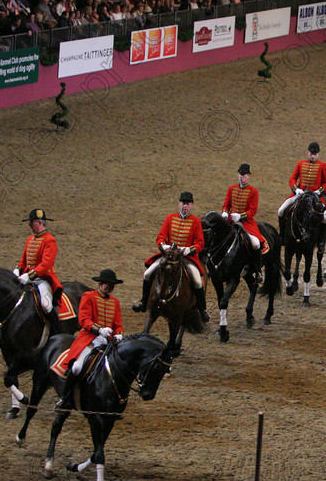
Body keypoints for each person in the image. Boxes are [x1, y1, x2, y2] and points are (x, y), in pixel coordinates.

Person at [56, 268, 124, 412]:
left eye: (112, 285)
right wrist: (99, 329)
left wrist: (119, 334)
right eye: (107, 284)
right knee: (76, 367)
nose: (110, 287)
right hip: (90, 338)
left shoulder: (115, 302)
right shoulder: (89, 296)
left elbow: (117, 324)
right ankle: (65, 398)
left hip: (109, 341)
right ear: (100, 283)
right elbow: (84, 320)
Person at [134, 191, 209, 321]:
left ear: (191, 205)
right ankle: (144, 302)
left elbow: (200, 243)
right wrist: (164, 247)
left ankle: (202, 309)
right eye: (183, 203)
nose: (185, 206)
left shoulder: (196, 221)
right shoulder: (170, 218)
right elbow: (161, 237)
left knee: (197, 280)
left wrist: (188, 250)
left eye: (188, 204)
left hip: (186, 258)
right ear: (179, 204)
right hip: (168, 257)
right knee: (147, 274)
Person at [14, 208, 63, 331]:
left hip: (41, 279)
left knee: (46, 305)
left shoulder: (49, 240)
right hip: (26, 278)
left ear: (40, 223)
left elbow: (46, 264)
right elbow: (23, 260)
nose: (30, 225)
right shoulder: (30, 239)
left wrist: (29, 276)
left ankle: (58, 331)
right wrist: (18, 269)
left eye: (32, 223)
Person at [278, 142, 326, 246]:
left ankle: (321, 241)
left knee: (325, 218)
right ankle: (282, 236)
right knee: (280, 210)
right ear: (307, 153)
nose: (313, 156)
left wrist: (318, 191)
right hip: (300, 194)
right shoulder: (300, 164)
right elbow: (292, 178)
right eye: (311, 153)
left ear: (318, 154)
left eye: (315, 154)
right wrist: (296, 189)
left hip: (315, 196)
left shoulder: (323, 166)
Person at [221, 164, 270, 279]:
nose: (241, 177)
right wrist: (224, 211)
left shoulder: (253, 191)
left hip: (246, 223)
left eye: (243, 175)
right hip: (231, 222)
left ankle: (258, 271)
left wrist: (241, 216)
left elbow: (253, 210)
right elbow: (226, 204)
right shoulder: (231, 188)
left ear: (248, 176)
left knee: (255, 243)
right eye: (240, 174)